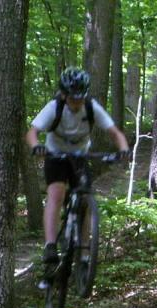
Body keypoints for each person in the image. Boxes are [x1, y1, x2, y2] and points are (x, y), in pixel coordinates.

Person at [25, 67, 130, 274]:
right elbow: (32, 132)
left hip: (80, 156)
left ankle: (83, 253)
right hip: (55, 155)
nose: (77, 102)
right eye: (73, 98)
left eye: (80, 98)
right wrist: (36, 146)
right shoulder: (53, 107)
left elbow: (115, 133)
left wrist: (124, 149)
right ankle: (50, 245)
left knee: (85, 201)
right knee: (56, 193)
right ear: (64, 95)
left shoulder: (91, 107)